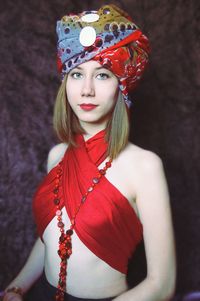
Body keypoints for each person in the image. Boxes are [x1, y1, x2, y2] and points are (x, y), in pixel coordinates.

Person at [2, 4, 176, 301]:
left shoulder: (145, 167)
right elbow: (52, 237)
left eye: (103, 75)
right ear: (65, 84)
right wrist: (17, 287)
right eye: (76, 74)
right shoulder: (57, 155)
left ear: (122, 87)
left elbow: (162, 284)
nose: (86, 90)